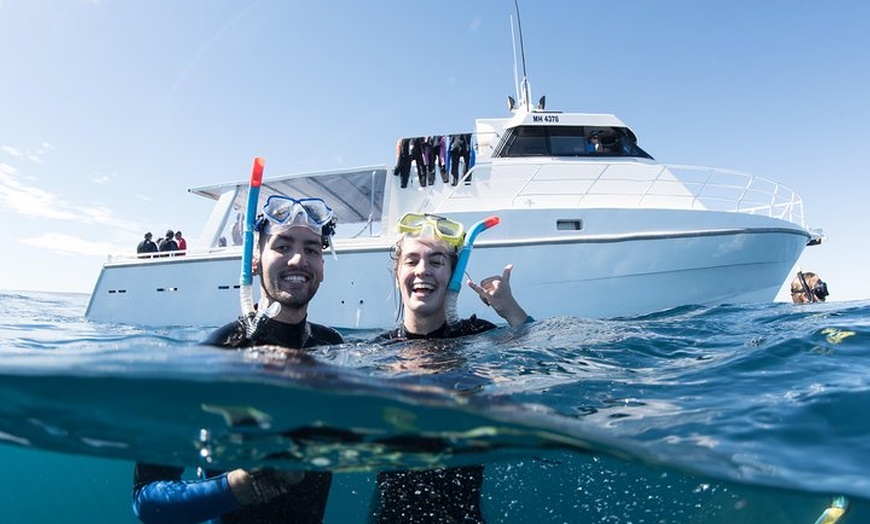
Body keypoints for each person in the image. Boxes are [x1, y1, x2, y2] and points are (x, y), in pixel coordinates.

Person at [132, 196, 343, 524]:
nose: (298, 259)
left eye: (312, 249)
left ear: (322, 267)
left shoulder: (333, 348)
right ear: (255, 259)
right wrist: (239, 487)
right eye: (282, 246)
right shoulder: (215, 354)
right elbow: (147, 502)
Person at [368, 212, 531, 523]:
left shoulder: (478, 337)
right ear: (397, 272)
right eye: (411, 260)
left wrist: (511, 311)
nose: (422, 270)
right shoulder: (378, 351)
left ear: (453, 275)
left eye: (436, 261)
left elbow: (539, 365)